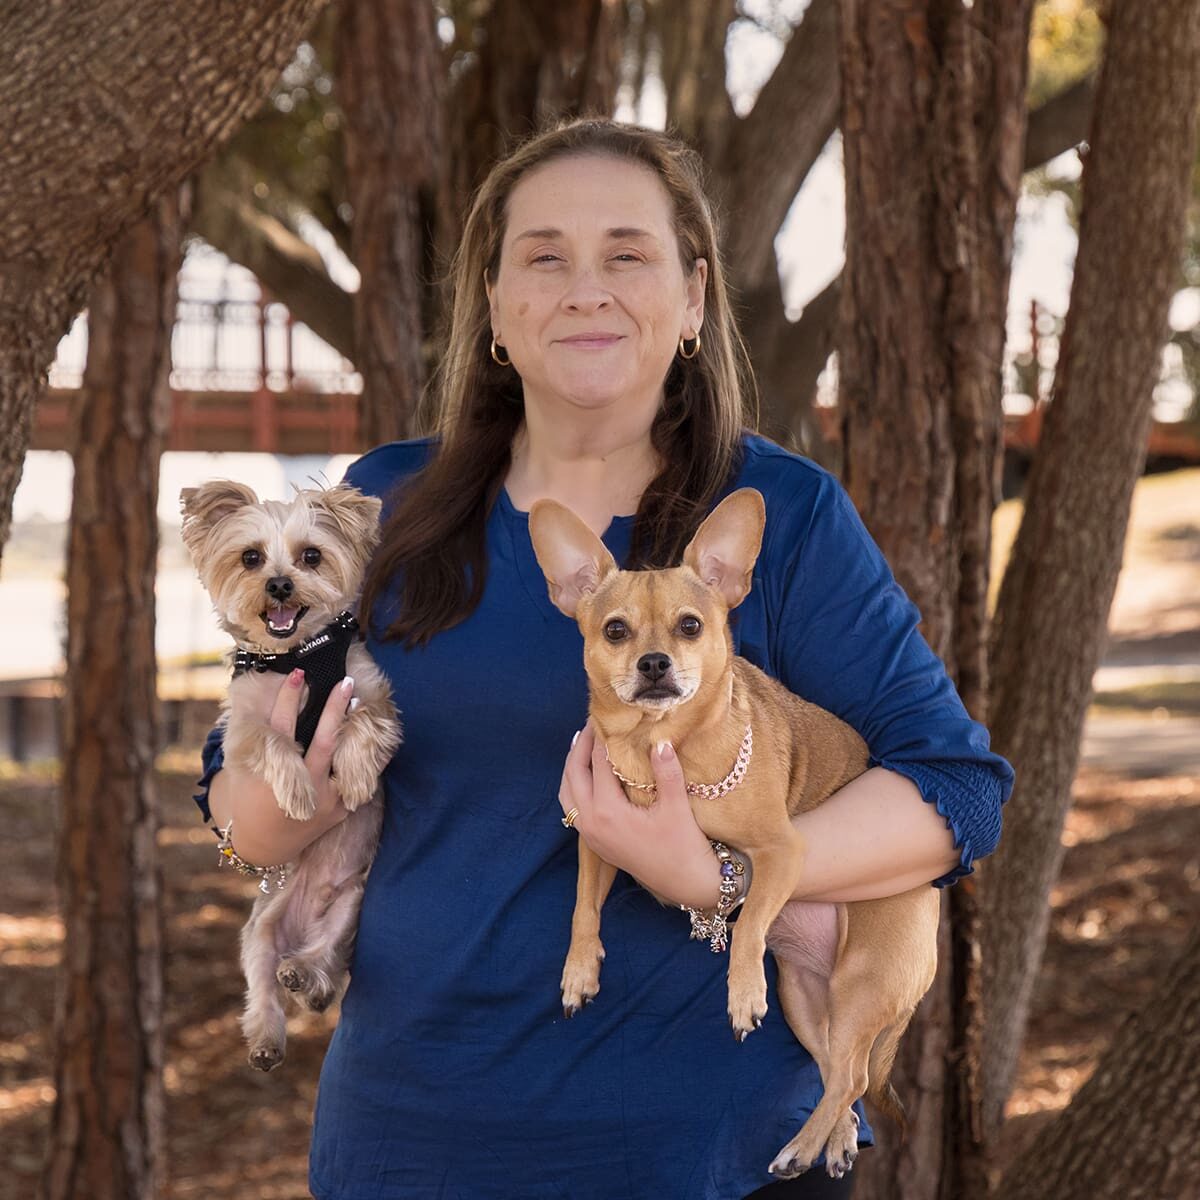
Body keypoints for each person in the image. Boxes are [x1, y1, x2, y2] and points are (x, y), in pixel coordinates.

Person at [194, 118, 1012, 1200]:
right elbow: (244, 798)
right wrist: (277, 796)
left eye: (626, 254)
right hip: (410, 1143)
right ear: (493, 307)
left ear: (694, 300)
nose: (586, 289)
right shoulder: (383, 505)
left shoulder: (782, 518)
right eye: (544, 257)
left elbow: (955, 790)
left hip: (710, 1155)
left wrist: (721, 873)